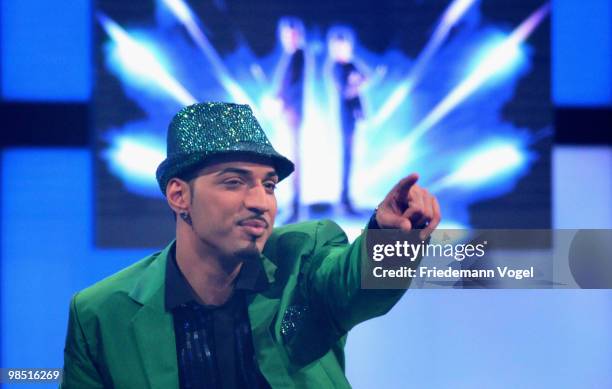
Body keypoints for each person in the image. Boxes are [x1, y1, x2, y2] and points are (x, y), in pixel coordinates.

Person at [61, 102, 441, 388]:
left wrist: (390, 239)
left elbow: (355, 284)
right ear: (179, 195)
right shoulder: (100, 314)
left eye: (269, 185)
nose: (261, 201)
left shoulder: (301, 268)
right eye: (234, 181)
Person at [328, 27, 367, 215]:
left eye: (345, 47)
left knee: (350, 157)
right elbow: (346, 91)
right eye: (339, 47)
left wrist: (356, 81)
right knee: (347, 156)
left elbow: (365, 78)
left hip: (353, 116)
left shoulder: (350, 65)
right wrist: (354, 82)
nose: (343, 50)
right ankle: (344, 199)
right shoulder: (336, 67)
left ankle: (346, 198)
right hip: (345, 118)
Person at [274, 17, 306, 222]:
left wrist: (282, 102)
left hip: (293, 113)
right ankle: (293, 205)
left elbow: (293, 88)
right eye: (285, 35)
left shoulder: (298, 56)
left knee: (293, 158)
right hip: (289, 112)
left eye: (291, 35)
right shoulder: (291, 57)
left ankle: (295, 206)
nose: (287, 38)